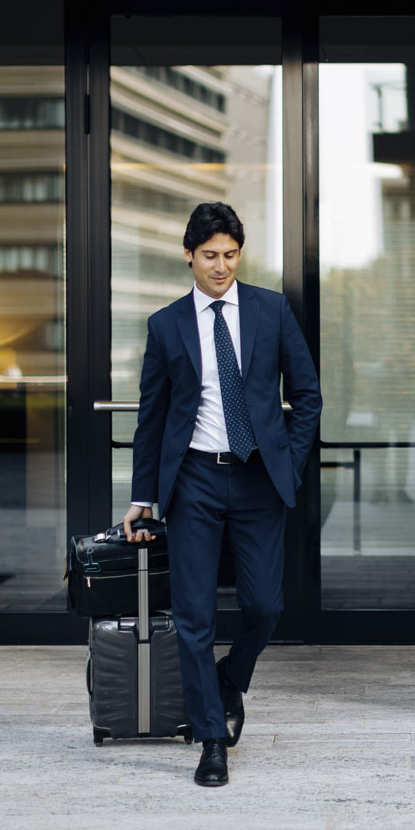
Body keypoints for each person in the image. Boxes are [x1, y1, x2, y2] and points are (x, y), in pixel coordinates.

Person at [122, 202, 322, 787]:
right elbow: (152, 418)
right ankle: (211, 738)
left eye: (230, 255)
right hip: (194, 481)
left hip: (259, 477)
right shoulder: (166, 325)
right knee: (193, 615)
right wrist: (142, 494)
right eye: (210, 255)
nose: (221, 266)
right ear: (189, 255)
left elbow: (306, 394)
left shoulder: (271, 309)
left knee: (265, 606)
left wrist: (290, 459)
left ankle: (229, 678)